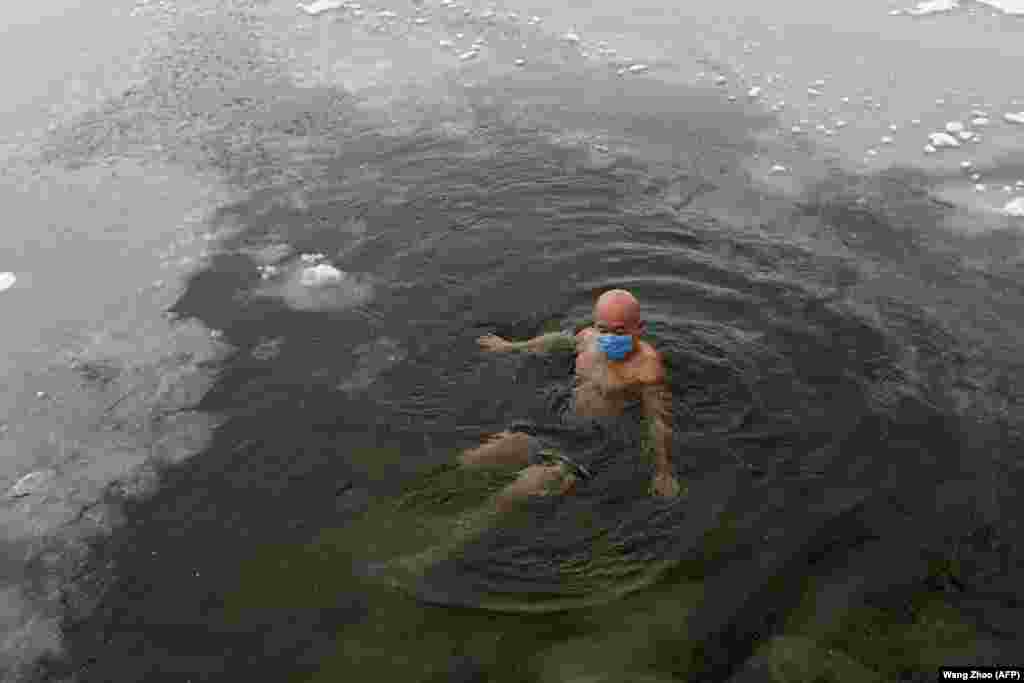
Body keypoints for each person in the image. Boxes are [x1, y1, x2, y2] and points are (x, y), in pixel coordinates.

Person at [461, 288, 683, 513]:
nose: (608, 338)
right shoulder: (589, 338)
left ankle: (458, 531)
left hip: (591, 440)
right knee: (477, 457)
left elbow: (657, 419)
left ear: (639, 328)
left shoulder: (647, 368)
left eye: (619, 331)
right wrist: (511, 346)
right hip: (560, 417)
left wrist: (663, 471)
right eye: (603, 329)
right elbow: (559, 341)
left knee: (516, 492)